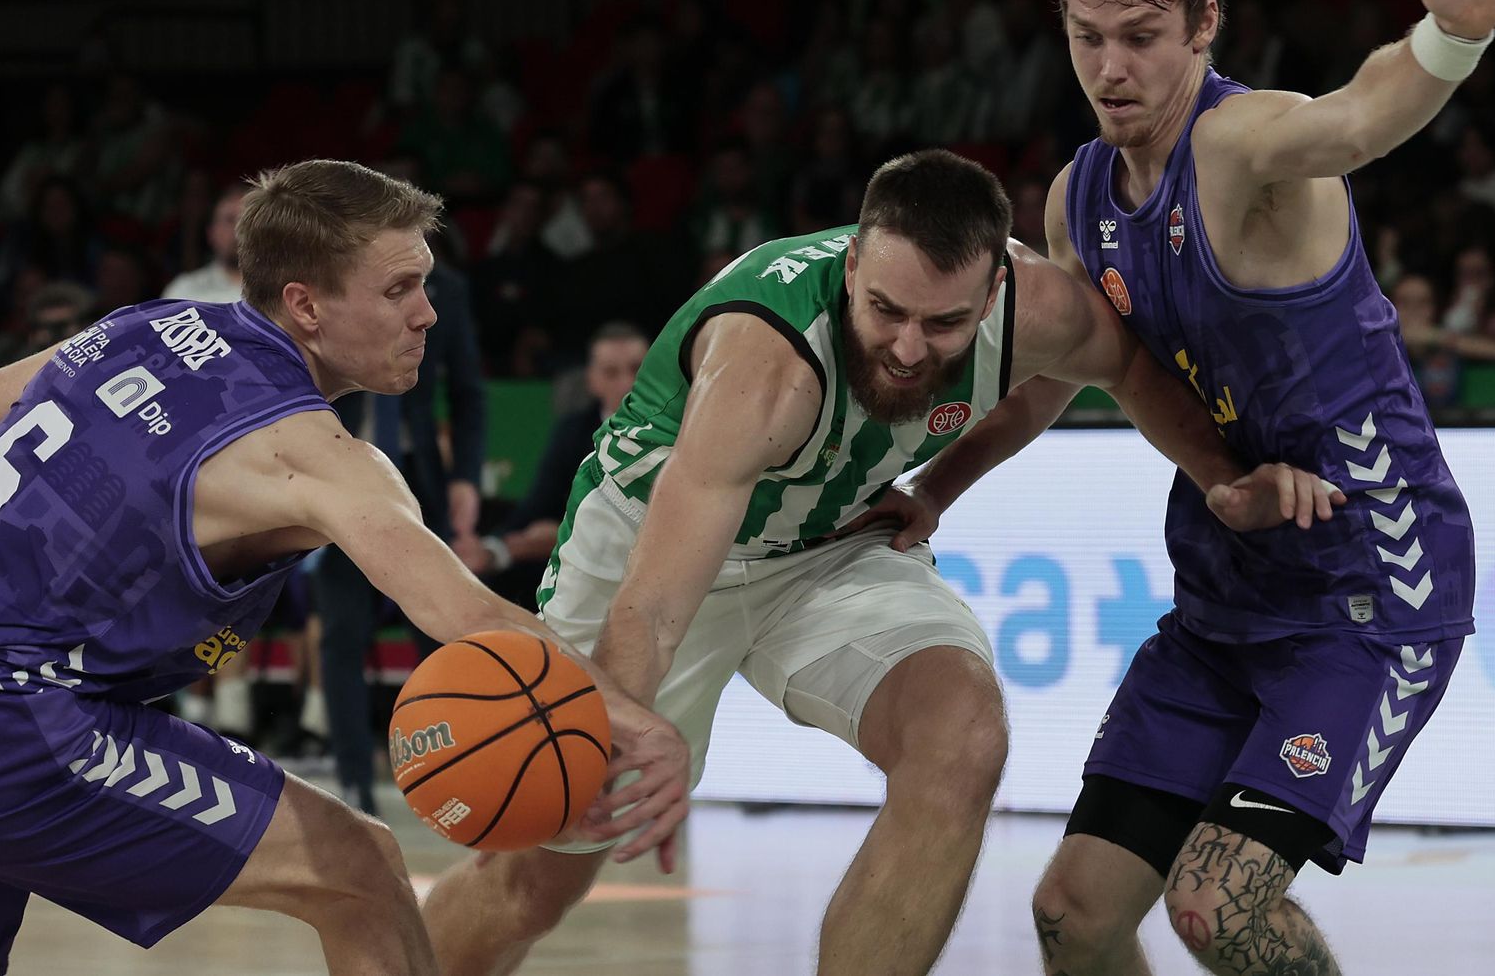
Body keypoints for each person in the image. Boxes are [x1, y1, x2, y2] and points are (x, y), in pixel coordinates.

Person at [421, 148, 1340, 976]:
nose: (907, 347)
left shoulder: (1036, 308)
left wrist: (1218, 478)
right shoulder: (765, 363)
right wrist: (627, 726)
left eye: (942, 325)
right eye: (886, 310)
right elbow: (656, 606)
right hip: (652, 552)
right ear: (851, 265)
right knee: (537, 876)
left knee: (962, 737)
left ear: (991, 300)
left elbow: (1117, 372)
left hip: (826, 544)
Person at [0, 158, 688, 975]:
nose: (427, 314)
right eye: (399, 290)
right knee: (357, 869)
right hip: (0, 718)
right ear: (306, 305)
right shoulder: (312, 453)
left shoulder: (136, 329)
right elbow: (472, 619)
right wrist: (640, 725)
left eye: (427, 284)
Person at [980, 0, 1495, 975]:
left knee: (1216, 906)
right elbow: (1051, 379)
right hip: (1229, 588)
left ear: (1204, 24)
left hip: (1372, 585)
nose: (1112, 68)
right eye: (1088, 38)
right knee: (1070, 915)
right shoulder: (1076, 198)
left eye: (1141, 35)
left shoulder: (1241, 146)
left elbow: (1357, 118)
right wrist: (927, 493)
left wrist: (1450, 36)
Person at [309, 257, 488, 814]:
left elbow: (468, 391)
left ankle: (452, 775)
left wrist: (465, 477)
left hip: (420, 478)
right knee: (342, 634)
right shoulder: (334, 278)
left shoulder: (450, 292)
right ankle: (355, 784)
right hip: (340, 475)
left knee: (439, 633)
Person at [459, 321, 650, 609]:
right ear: (592, 380)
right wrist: (492, 549)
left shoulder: (682, 429)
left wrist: (569, 533)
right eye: (611, 372)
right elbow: (538, 504)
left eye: (637, 369)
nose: (626, 383)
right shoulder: (573, 432)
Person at [162, 183, 248, 304]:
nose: (239, 229)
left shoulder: (280, 290)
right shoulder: (184, 290)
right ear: (211, 233)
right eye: (229, 220)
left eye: (247, 221)